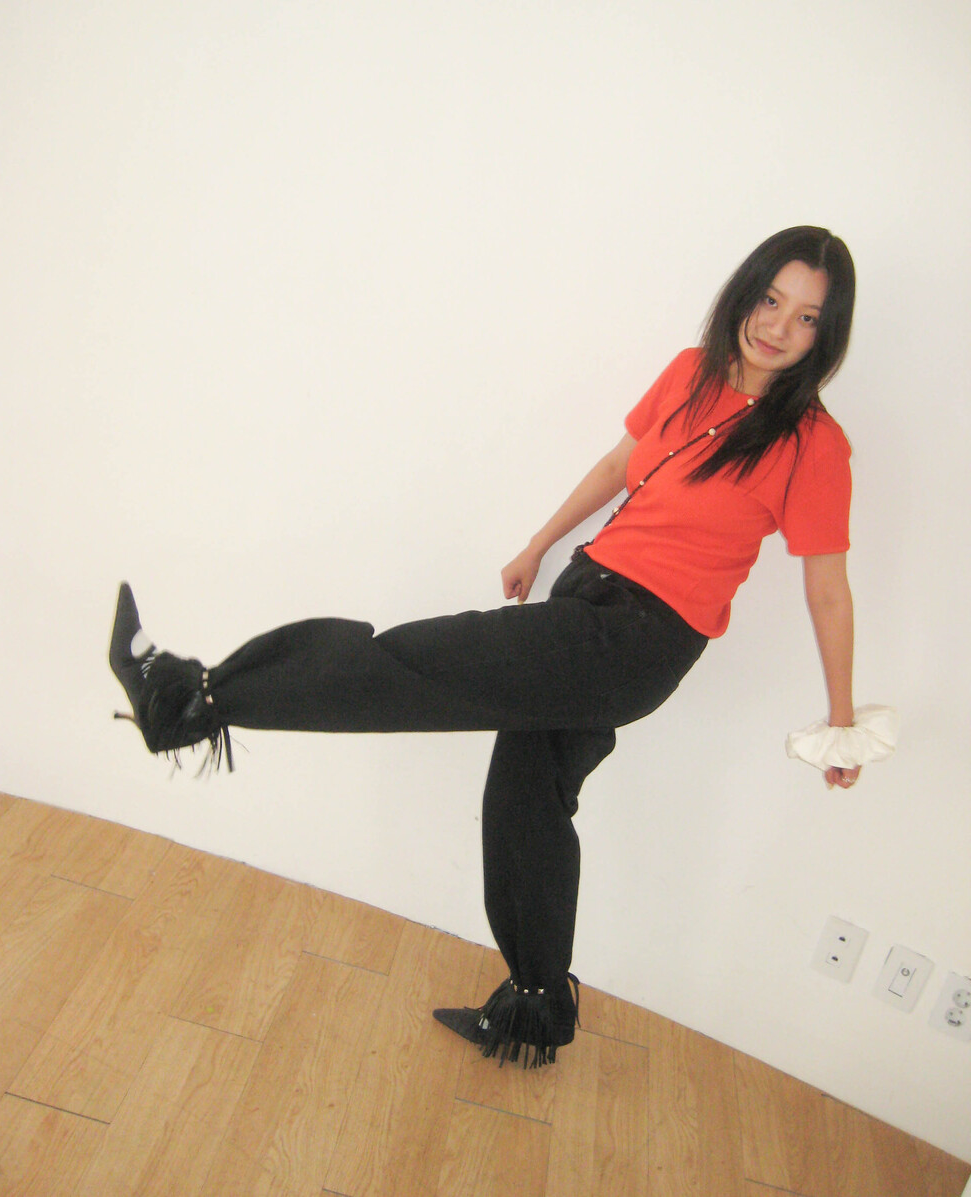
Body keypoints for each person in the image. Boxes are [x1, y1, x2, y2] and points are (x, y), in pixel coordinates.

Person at [109, 225, 867, 1069]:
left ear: (824, 336)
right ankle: (534, 1010)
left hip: (635, 641)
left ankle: (189, 698)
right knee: (527, 802)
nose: (778, 326)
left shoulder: (813, 444)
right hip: (586, 589)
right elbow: (620, 465)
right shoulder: (690, 372)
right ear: (746, 291)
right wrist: (540, 543)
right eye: (771, 299)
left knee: (411, 663)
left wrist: (841, 724)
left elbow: (827, 589)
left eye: (806, 317)